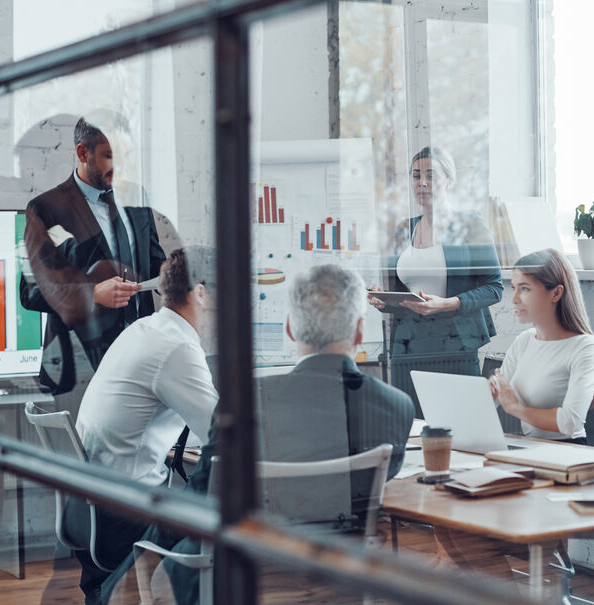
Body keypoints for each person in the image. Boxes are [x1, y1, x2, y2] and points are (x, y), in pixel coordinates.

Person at [96, 263, 413, 605]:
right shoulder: (396, 407)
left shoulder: (245, 404)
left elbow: (202, 496)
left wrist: (125, 576)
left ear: (290, 328)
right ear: (360, 331)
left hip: (237, 580)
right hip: (338, 580)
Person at [67, 247, 218, 604]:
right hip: (123, 514)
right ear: (200, 293)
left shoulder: (145, 329)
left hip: (92, 504)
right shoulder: (176, 346)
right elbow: (223, 433)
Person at [20, 116, 166, 394]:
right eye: (110, 156)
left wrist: (182, 277)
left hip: (143, 359)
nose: (121, 166)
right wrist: (93, 293)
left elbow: (156, 266)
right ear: (82, 153)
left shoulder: (137, 196)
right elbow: (30, 290)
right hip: (83, 370)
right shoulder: (47, 208)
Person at [368, 146, 503, 413]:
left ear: (449, 181)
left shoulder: (469, 225)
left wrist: (447, 303)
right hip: (407, 345)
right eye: (416, 176)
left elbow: (494, 288)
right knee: (411, 426)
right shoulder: (404, 229)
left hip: (454, 342)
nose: (423, 183)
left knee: (459, 424)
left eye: (431, 175)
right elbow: (403, 293)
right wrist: (384, 299)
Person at [489, 248, 594, 443]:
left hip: (568, 451)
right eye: (514, 287)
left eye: (525, 289)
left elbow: (570, 422)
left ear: (556, 293)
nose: (514, 299)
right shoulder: (524, 341)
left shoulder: (585, 347)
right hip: (531, 448)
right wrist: (488, 394)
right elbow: (498, 397)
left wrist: (515, 408)